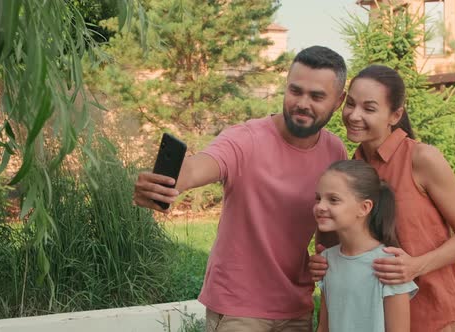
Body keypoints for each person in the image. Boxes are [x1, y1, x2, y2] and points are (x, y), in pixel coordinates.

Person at [134, 45, 349, 332]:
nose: (302, 103)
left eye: (317, 96)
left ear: (339, 101)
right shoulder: (246, 139)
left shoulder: (335, 151)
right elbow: (200, 165)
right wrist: (167, 182)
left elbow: (330, 233)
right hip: (239, 307)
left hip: (296, 307)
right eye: (295, 91)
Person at [309, 65, 455, 332]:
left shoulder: (421, 159)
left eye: (369, 108)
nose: (354, 115)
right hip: (372, 319)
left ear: (395, 115)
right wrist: (322, 262)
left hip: (432, 316)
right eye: (351, 104)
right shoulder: (349, 170)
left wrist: (415, 266)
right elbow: (336, 243)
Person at [314, 159, 417, 332]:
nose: (320, 206)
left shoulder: (390, 265)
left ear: (364, 208)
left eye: (333, 200)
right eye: (318, 198)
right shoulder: (327, 260)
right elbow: (324, 326)